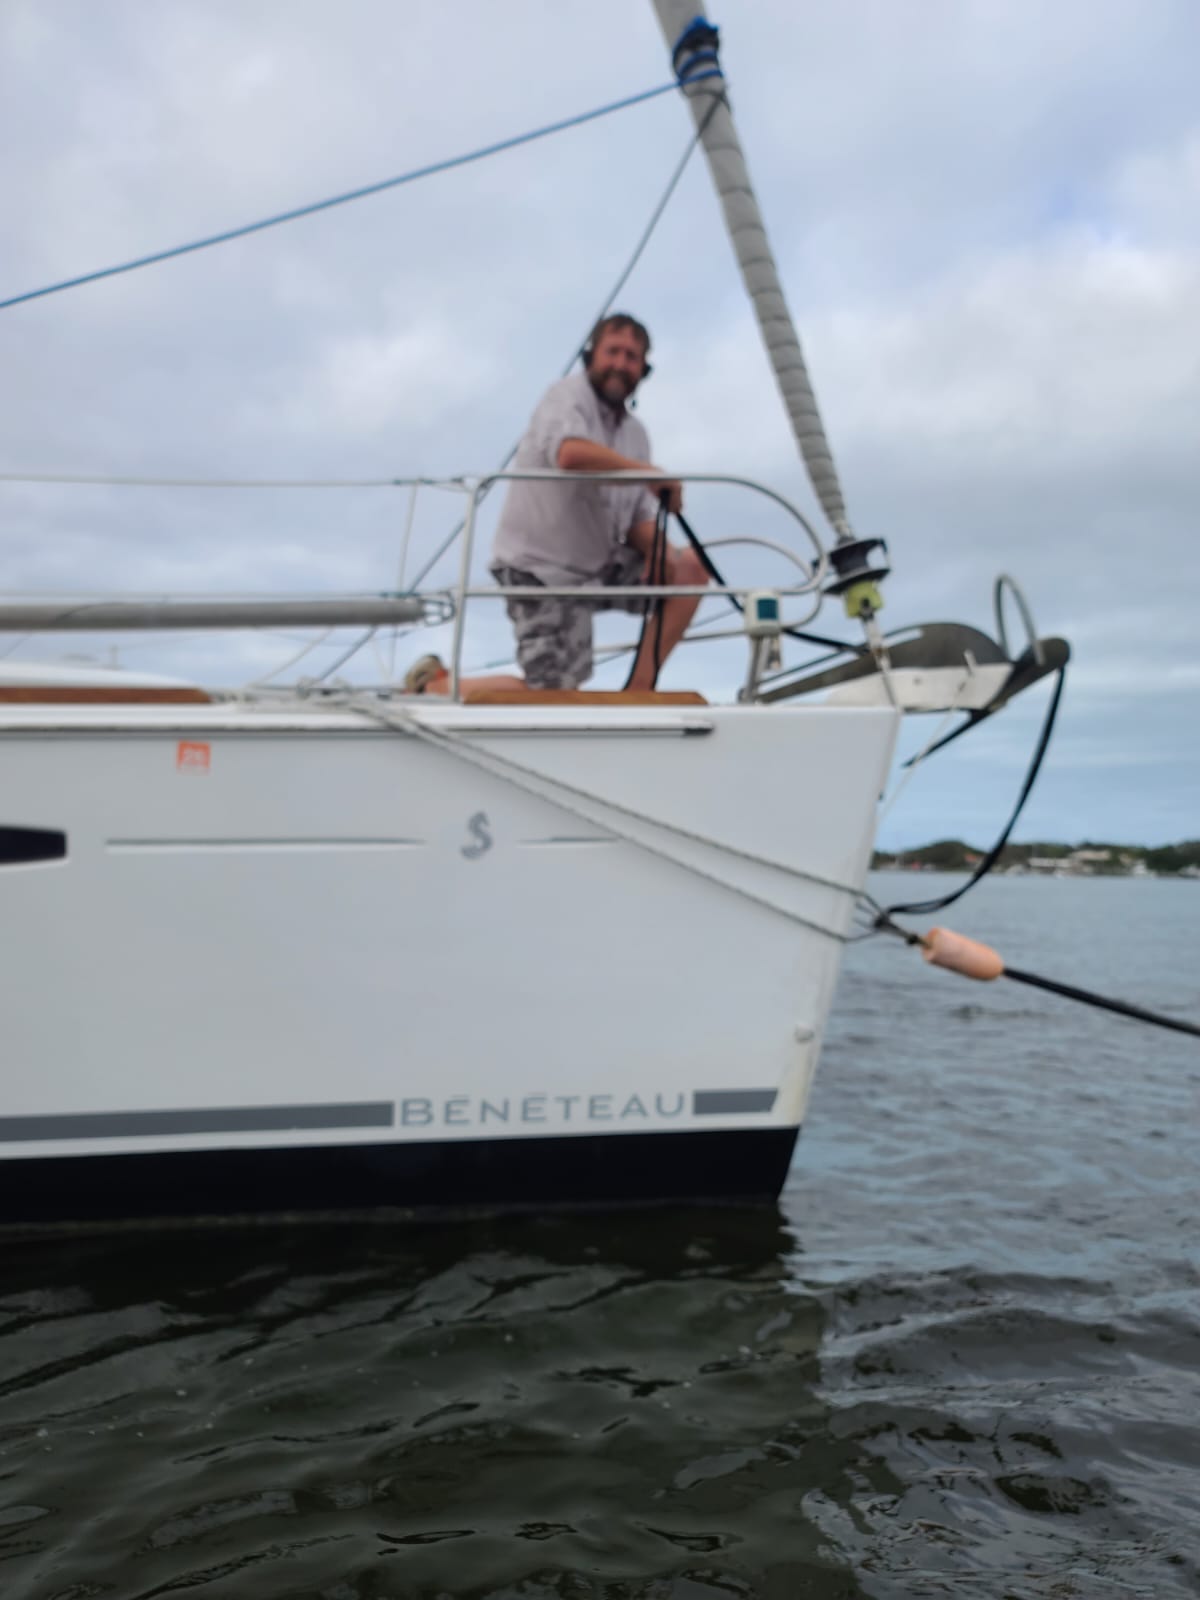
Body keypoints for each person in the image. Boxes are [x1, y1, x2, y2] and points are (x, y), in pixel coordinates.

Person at [404, 313, 707, 695]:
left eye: (632, 356)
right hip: (539, 570)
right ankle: (436, 687)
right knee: (554, 696)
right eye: (613, 351)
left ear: (643, 368)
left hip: (594, 569)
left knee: (691, 568)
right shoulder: (566, 395)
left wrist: (662, 552)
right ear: (591, 355)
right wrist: (648, 473)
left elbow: (635, 523)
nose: (621, 363)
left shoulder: (636, 434)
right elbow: (570, 455)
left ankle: (639, 691)